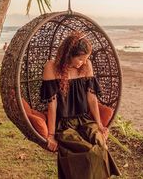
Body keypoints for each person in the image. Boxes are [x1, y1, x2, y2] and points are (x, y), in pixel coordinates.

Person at [40, 31, 121, 179]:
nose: (83, 62)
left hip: (84, 120)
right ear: (68, 54)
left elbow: (92, 98)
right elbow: (52, 105)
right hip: (64, 124)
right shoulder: (51, 67)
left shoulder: (86, 65)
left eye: (86, 58)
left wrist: (99, 124)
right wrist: (51, 135)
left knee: (100, 142)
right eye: (80, 58)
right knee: (88, 151)